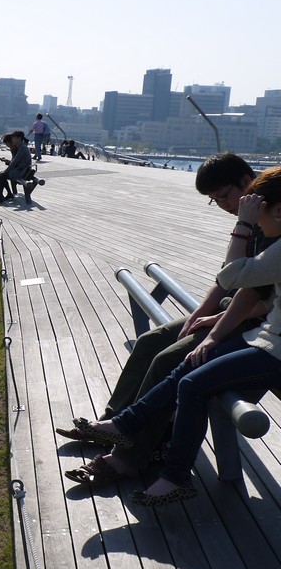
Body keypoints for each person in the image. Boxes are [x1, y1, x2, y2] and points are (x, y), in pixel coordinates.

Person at [65, 167, 281, 505]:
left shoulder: (262, 225)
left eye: (224, 196)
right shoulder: (266, 222)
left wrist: (243, 226)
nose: (225, 205)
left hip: (256, 330)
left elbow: (245, 286)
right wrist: (202, 318)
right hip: (254, 327)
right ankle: (116, 424)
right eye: (215, 200)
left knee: (175, 366)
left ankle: (131, 456)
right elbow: (236, 284)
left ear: (247, 185)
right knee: (156, 345)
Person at [0, 131, 39, 204]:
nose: (12, 140)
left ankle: (3, 196)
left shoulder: (22, 148)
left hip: (22, 172)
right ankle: (3, 195)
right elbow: (15, 162)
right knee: (1, 175)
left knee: (1, 176)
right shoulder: (20, 147)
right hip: (21, 170)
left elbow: (14, 162)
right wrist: (8, 163)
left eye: (13, 138)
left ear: (19, 138)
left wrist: (5, 171)